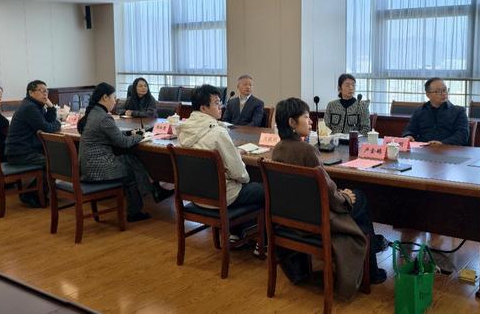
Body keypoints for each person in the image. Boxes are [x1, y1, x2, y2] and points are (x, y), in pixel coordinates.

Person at [272, 97, 387, 298]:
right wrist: (345, 197)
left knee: (356, 206)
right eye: (306, 117)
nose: (311, 121)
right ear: (291, 123)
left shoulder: (278, 149)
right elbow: (328, 191)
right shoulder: (307, 150)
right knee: (360, 198)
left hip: (293, 217)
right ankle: (372, 270)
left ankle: (371, 253)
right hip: (318, 218)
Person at [178, 84, 264, 240]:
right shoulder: (218, 132)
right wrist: (239, 166)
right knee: (263, 189)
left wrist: (233, 153)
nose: (221, 106)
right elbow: (240, 174)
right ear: (203, 108)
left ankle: (237, 232)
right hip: (221, 197)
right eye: (217, 103)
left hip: (196, 195)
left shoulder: (183, 129)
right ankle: (260, 240)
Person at [78, 82, 170, 222]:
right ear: (105, 97)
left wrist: (130, 133)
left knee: (130, 160)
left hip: (87, 166)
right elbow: (123, 143)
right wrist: (140, 136)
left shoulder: (93, 113)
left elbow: (113, 136)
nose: (115, 101)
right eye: (114, 98)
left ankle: (152, 192)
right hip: (99, 168)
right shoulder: (104, 117)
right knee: (131, 163)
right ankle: (142, 203)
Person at [5, 80, 61, 207]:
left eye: (46, 91)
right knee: (54, 162)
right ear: (31, 92)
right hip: (20, 153)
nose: (45, 94)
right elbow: (46, 128)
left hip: (25, 149)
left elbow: (47, 122)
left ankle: (36, 192)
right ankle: (32, 195)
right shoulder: (30, 107)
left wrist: (51, 107)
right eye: (41, 91)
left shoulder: (35, 105)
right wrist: (57, 124)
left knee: (55, 157)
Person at [402, 77, 469, 146]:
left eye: (445, 90)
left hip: (448, 148)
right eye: (438, 91)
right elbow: (409, 130)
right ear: (428, 95)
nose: (443, 93)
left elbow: (463, 135)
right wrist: (408, 136)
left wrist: (442, 143)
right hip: (424, 148)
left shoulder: (459, 111)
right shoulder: (419, 111)